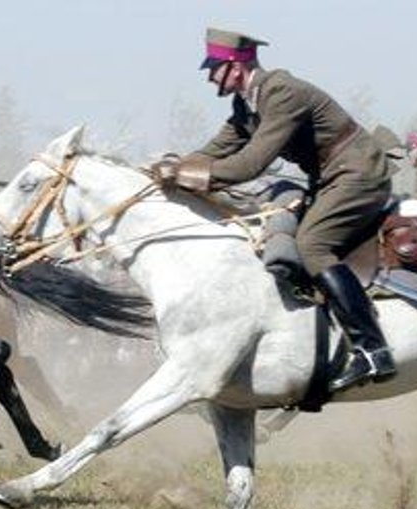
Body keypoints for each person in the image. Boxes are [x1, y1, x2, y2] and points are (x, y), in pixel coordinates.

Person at [153, 27, 396, 392]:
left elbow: (249, 164)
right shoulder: (246, 106)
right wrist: (169, 168)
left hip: (358, 173)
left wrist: (185, 175)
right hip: (332, 177)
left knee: (312, 244)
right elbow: (215, 150)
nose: (210, 77)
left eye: (214, 68)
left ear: (236, 65)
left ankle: (373, 349)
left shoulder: (281, 93)